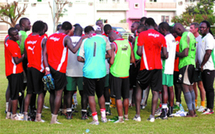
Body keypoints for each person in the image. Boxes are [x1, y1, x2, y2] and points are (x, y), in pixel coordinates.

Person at [44, 21, 87, 124]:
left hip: (50, 67)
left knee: (52, 93)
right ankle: (54, 118)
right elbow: (73, 50)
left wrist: (47, 68)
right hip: (60, 69)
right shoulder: (66, 38)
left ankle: (53, 114)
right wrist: (81, 39)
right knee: (59, 93)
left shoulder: (51, 36)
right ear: (68, 30)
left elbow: (44, 53)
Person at [133, 18, 167, 122]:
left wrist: (146, 54)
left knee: (139, 88)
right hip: (157, 66)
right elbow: (165, 54)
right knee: (155, 91)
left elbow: (139, 52)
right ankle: (152, 116)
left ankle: (138, 115)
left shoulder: (142, 35)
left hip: (146, 66)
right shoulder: (161, 36)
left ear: (146, 24)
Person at [77, 26, 111, 125]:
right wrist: (101, 57)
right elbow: (109, 54)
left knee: (91, 95)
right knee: (101, 94)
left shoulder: (85, 40)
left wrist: (87, 59)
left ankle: (95, 119)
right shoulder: (104, 39)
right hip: (101, 71)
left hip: (89, 72)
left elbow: (79, 58)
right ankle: (104, 117)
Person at [108, 31, 135, 123]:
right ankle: (126, 116)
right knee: (126, 96)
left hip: (116, 73)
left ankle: (120, 118)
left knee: (118, 97)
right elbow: (132, 59)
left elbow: (111, 61)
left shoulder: (113, 44)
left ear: (112, 37)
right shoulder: (128, 43)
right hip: (126, 73)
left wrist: (110, 61)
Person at [23, 21, 47, 122]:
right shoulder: (43, 39)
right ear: (41, 29)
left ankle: (25, 115)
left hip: (29, 67)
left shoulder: (27, 39)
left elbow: (26, 54)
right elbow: (45, 55)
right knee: (40, 93)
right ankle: (38, 116)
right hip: (39, 68)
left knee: (29, 92)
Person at [173, 23, 196, 117]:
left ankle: (191, 112)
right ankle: (193, 110)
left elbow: (185, 53)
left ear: (179, 29)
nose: (176, 35)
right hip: (192, 63)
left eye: (176, 32)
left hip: (186, 64)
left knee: (185, 87)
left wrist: (176, 53)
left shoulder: (184, 36)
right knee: (190, 87)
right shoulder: (191, 35)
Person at [65, 25, 88, 120]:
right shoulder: (85, 40)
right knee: (83, 93)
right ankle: (84, 113)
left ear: (73, 31)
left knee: (69, 93)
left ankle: (69, 113)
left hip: (69, 70)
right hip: (82, 71)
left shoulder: (68, 39)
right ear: (82, 31)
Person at [157, 22, 176, 119]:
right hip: (171, 67)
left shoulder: (165, 39)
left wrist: (156, 54)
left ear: (163, 29)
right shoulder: (173, 38)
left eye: (160, 30)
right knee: (170, 89)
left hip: (165, 66)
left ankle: (164, 111)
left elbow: (165, 54)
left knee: (164, 88)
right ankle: (171, 111)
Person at [5, 27, 24, 120]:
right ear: (10, 36)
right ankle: (14, 115)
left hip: (10, 71)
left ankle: (8, 113)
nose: (17, 36)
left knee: (12, 93)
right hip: (15, 71)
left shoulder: (7, 41)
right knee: (16, 94)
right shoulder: (13, 45)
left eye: (17, 33)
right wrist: (24, 55)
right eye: (15, 35)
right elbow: (16, 61)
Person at [199, 20, 215, 115]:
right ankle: (207, 107)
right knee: (205, 87)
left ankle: (210, 108)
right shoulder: (202, 38)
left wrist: (202, 64)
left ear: (208, 28)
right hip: (204, 67)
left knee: (209, 88)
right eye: (200, 27)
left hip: (209, 66)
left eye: (203, 27)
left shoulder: (209, 38)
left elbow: (208, 52)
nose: (201, 29)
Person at [189, 22, 206, 112]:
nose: (190, 30)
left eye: (191, 28)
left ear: (196, 29)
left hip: (199, 65)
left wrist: (201, 64)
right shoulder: (190, 38)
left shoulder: (201, 39)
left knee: (200, 85)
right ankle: (194, 103)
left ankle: (202, 104)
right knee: (193, 85)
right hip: (192, 64)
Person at [18, 17, 31, 113]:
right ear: (23, 24)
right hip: (22, 63)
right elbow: (23, 51)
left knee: (21, 86)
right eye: (28, 23)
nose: (30, 25)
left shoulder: (21, 34)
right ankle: (22, 107)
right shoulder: (23, 35)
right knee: (23, 85)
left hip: (19, 63)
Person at [170, 26, 183, 110]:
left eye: (174, 32)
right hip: (171, 67)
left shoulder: (180, 39)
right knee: (171, 85)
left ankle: (178, 102)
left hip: (178, 67)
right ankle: (170, 103)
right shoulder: (171, 40)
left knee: (178, 85)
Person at [128, 21, 140, 107]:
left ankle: (136, 101)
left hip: (138, 63)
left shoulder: (139, 38)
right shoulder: (133, 38)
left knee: (137, 83)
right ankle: (130, 101)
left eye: (133, 26)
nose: (131, 28)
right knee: (131, 83)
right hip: (132, 63)